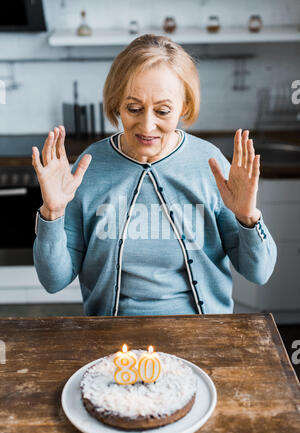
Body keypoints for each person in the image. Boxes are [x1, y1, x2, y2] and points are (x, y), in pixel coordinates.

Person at [32, 34, 277, 316]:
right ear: (116, 104)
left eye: (163, 111)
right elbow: (53, 281)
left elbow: (259, 273)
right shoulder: (89, 168)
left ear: (184, 106)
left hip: (203, 334)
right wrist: (52, 213)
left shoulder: (209, 165)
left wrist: (248, 218)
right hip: (112, 340)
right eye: (134, 108)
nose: (147, 125)